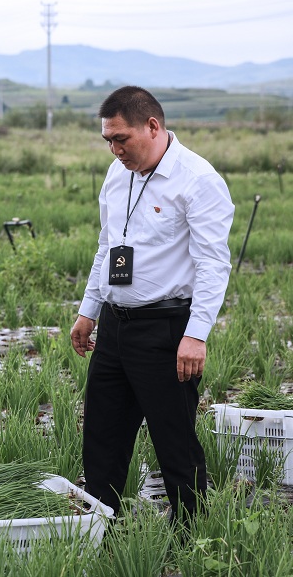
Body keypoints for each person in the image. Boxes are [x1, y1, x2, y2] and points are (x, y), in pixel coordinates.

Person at [71, 86, 234, 522]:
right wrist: (89, 310)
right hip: (115, 325)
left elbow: (213, 265)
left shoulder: (198, 180)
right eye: (107, 140)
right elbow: (107, 247)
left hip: (166, 328)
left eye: (121, 138)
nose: (114, 149)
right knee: (102, 439)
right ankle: (102, 534)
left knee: (174, 442)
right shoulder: (116, 175)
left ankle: (191, 540)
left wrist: (195, 335)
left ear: (153, 126)